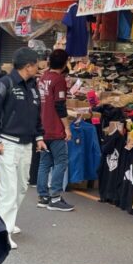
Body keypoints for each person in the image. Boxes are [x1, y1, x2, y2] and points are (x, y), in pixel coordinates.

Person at [0, 47, 46, 248]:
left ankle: (6, 222)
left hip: (27, 144)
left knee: (21, 187)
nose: (38, 68)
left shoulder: (33, 87)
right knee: (9, 189)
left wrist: (39, 137)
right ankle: (2, 232)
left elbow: (36, 115)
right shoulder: (4, 84)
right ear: (28, 66)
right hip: (7, 143)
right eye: (37, 65)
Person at [36, 49, 74, 212]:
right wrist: (67, 127)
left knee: (45, 162)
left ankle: (43, 197)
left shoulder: (43, 78)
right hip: (55, 127)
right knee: (61, 161)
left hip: (42, 127)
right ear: (64, 64)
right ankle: (55, 197)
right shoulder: (59, 80)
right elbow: (60, 105)